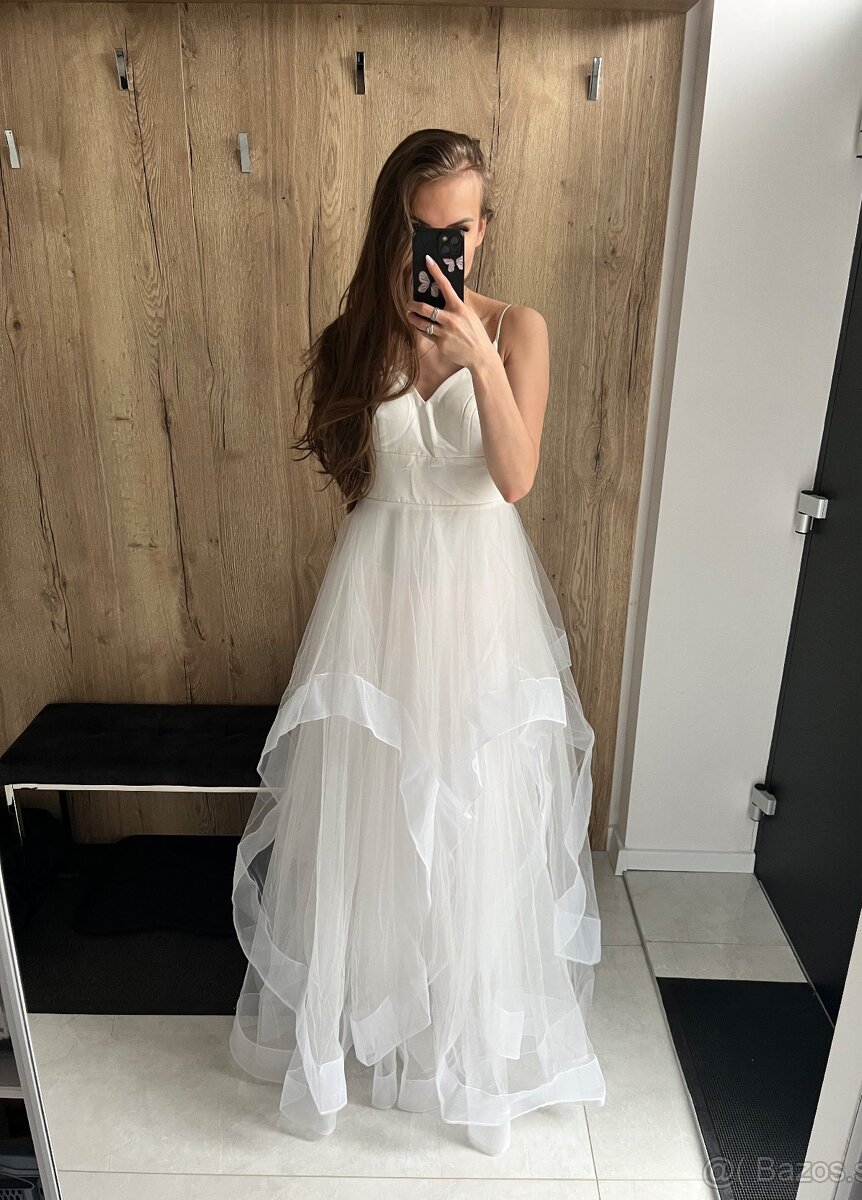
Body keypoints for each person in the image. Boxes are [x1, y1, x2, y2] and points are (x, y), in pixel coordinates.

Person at [230, 128, 606, 1157]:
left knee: (476, 819)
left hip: (483, 608)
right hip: (381, 604)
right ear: (395, 229)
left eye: (461, 229)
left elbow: (515, 477)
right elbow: (356, 478)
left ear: (485, 228)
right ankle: (369, 1034)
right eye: (424, 229)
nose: (445, 248)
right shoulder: (355, 335)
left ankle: (471, 1055)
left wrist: (478, 356)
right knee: (373, 818)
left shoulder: (519, 328)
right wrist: (383, 339)